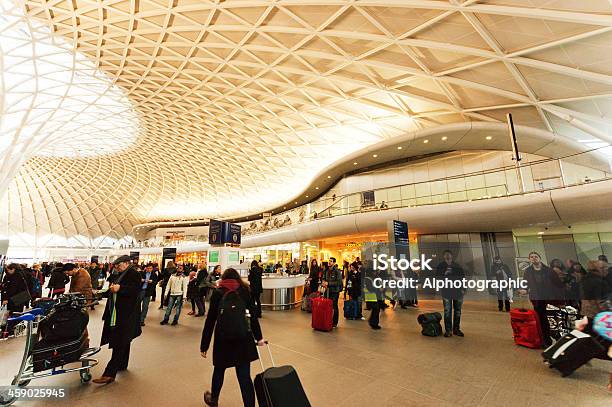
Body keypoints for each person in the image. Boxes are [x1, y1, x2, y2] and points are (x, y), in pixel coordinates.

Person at [200, 268, 265, 407]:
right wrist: (259, 338)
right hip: (243, 338)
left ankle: (214, 400)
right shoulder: (245, 291)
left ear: (223, 279)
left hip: (223, 339)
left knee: (219, 370)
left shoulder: (218, 293)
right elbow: (253, 317)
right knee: (244, 377)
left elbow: (210, 320)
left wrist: (204, 345)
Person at [93, 256, 142, 384]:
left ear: (126, 263)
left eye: (118, 265)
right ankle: (122, 364)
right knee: (125, 340)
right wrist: (100, 292)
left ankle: (109, 373)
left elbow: (135, 290)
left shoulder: (134, 274)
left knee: (119, 342)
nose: (116, 267)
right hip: (120, 313)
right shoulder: (121, 273)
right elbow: (112, 289)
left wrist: (120, 289)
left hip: (126, 315)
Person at [522, 251, 564, 347]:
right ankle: (546, 340)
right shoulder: (528, 271)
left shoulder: (549, 270)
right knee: (541, 319)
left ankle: (555, 336)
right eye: (531, 257)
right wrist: (524, 290)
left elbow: (558, 284)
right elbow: (525, 283)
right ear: (529, 259)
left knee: (551, 318)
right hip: (537, 299)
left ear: (539, 258)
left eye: (535, 256)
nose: (534, 258)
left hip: (549, 298)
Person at [435, 250, 466, 337]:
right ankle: (448, 330)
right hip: (446, 292)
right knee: (447, 311)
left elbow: (463, 278)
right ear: (444, 256)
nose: (448, 256)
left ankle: (456, 329)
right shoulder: (440, 266)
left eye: (449, 255)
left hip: (458, 292)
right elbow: (437, 279)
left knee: (458, 311)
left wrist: (463, 289)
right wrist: (444, 274)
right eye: (446, 255)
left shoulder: (457, 266)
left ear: (452, 256)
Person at [322, 257, 343, 328]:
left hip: (335, 291)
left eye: (331, 261)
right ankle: (328, 320)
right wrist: (323, 282)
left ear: (334, 263)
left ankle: (334, 322)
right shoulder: (326, 270)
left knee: (334, 306)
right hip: (327, 291)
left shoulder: (337, 271)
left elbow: (339, 282)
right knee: (326, 306)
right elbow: (323, 278)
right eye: (329, 261)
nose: (329, 262)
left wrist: (329, 283)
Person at [363, 260, 382, 329]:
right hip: (372, 296)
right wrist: (378, 289)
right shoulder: (369, 276)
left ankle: (373, 322)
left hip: (372, 296)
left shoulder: (370, 275)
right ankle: (374, 323)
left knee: (376, 309)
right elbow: (370, 288)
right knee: (376, 309)